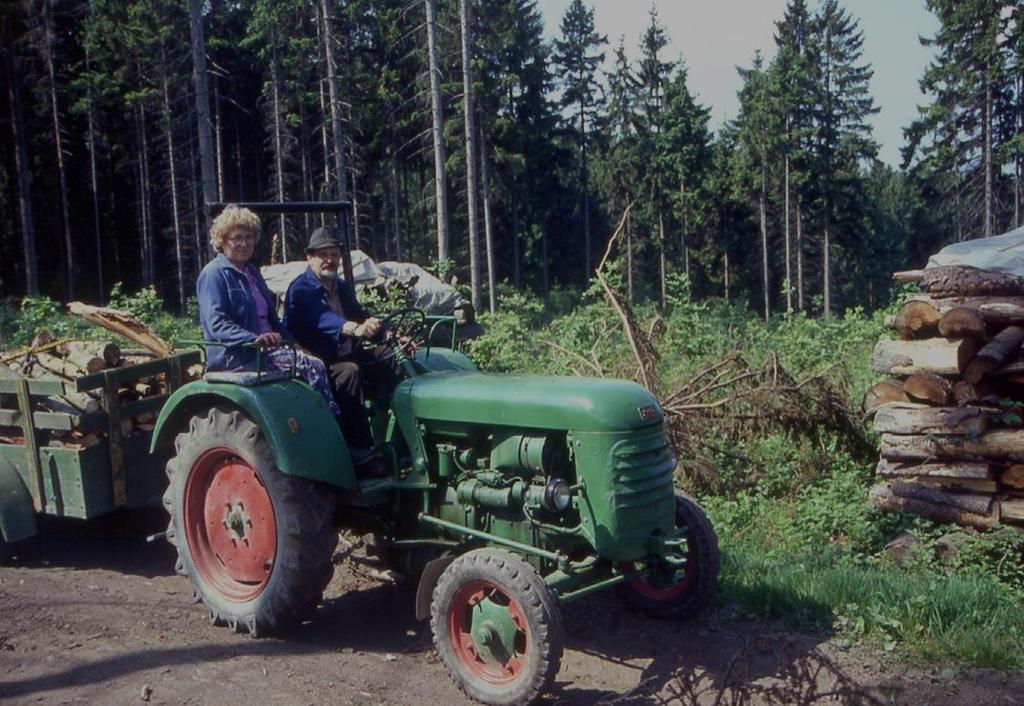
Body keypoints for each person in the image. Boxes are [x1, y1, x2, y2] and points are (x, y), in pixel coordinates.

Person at [195, 205, 341, 421]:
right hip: (237, 355)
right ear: (222, 240)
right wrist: (254, 339)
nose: (244, 243)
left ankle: (316, 423)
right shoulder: (214, 275)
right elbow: (217, 324)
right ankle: (325, 426)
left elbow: (273, 321)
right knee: (312, 366)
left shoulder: (251, 273)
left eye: (249, 237)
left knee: (312, 359)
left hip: (266, 350)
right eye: (237, 238)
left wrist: (294, 343)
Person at [283, 227, 398, 471]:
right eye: (323, 254)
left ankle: (399, 438)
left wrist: (380, 329)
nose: (330, 260)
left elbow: (360, 314)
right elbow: (322, 319)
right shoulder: (300, 290)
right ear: (309, 257)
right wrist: (355, 329)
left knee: (391, 359)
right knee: (350, 372)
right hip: (315, 361)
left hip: (346, 351)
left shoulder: (341, 286)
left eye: (334, 255)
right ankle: (361, 453)